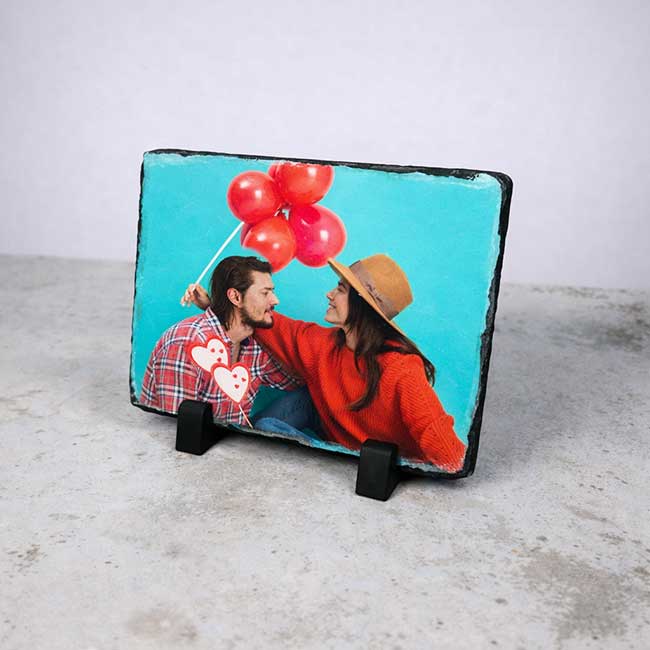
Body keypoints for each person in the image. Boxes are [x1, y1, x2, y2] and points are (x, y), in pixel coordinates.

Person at [186, 254, 466, 472]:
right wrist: (216, 306)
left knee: (269, 430)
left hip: (372, 460)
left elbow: (439, 438)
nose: (329, 294)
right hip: (331, 423)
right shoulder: (323, 344)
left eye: (340, 289)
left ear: (362, 306)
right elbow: (269, 323)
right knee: (262, 426)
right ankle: (325, 452)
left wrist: (455, 470)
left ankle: (330, 462)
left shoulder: (401, 368)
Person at [140, 256, 301, 422]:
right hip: (192, 434)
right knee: (268, 426)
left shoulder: (254, 345)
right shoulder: (186, 343)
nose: (275, 300)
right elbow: (178, 426)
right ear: (236, 297)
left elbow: (296, 382)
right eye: (265, 293)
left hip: (234, 431)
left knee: (305, 399)